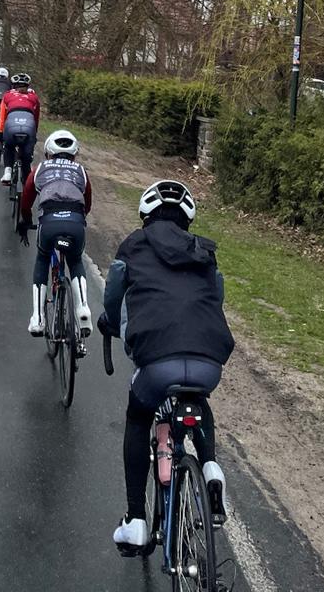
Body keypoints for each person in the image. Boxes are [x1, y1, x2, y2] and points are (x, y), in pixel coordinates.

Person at [98, 180, 234, 553]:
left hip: (157, 361)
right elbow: (215, 296)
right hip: (209, 359)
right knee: (196, 397)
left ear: (145, 215)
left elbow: (114, 291)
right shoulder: (204, 251)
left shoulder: (134, 245)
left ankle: (136, 520)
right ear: (187, 218)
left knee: (138, 417)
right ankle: (209, 468)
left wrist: (110, 321)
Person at [16, 129, 93, 337]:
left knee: (42, 259)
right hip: (75, 221)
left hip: (49, 222)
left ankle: (38, 319)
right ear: (74, 154)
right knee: (75, 261)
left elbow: (27, 198)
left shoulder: (41, 168)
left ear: (49, 152)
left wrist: (26, 220)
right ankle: (83, 307)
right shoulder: (81, 170)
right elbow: (87, 203)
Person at [0, 72, 41, 185]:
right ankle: (27, 184)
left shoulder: (7, 95)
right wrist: (34, 135)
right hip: (29, 127)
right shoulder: (34, 97)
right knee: (26, 158)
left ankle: (7, 173)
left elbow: (2, 117)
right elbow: (36, 119)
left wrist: (0, 133)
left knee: (9, 147)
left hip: (11, 125)